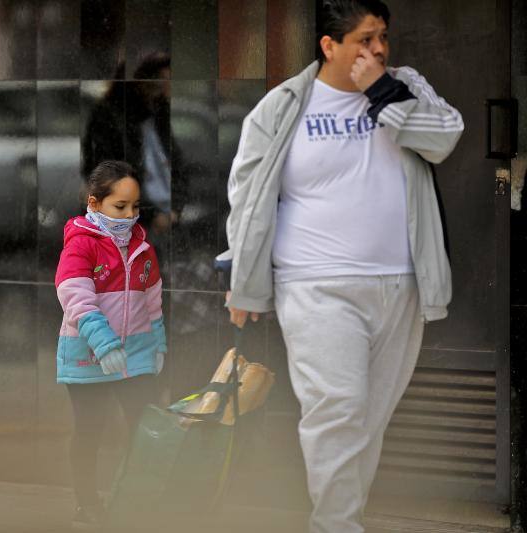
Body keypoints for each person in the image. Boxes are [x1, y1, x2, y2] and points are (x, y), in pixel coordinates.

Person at [219, 1, 463, 531]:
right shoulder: (283, 105)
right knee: (337, 410)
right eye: (364, 39)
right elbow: (249, 198)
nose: (377, 50)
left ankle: (342, 516)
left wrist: (382, 92)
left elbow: (444, 138)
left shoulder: (404, 86)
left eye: (383, 38)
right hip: (314, 284)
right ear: (329, 45)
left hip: (399, 283)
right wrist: (244, 283)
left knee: (367, 421)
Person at [54, 160, 166, 527]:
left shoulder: (141, 247)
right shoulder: (81, 244)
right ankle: (87, 504)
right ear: (94, 202)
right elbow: (76, 299)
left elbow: (152, 299)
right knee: (90, 432)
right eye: (120, 207)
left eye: (135, 207)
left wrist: (157, 344)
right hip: (87, 357)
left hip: (137, 354)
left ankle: (136, 500)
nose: (129, 215)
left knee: (143, 429)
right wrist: (104, 347)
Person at [82, 53, 187, 240]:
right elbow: (106, 173)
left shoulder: (158, 115)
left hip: (163, 219)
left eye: (164, 81)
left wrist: (175, 209)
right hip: (132, 222)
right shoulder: (111, 116)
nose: (162, 89)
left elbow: (178, 165)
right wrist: (152, 214)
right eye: (155, 82)